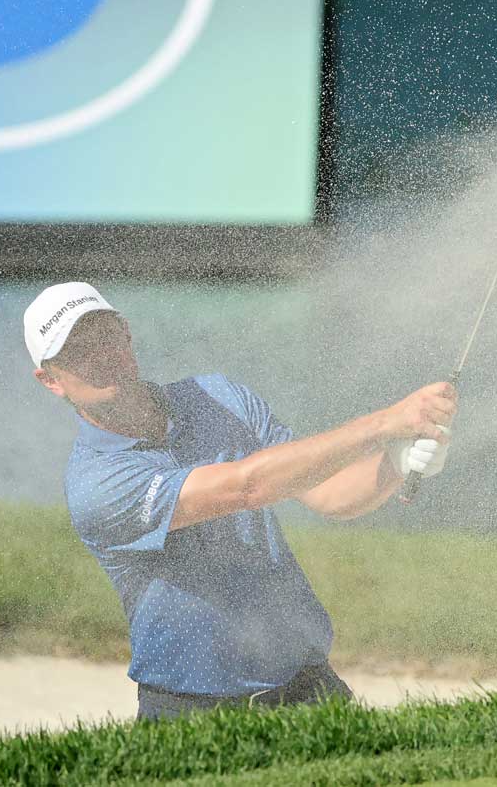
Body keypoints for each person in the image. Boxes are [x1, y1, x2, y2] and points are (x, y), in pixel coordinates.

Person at [24, 281, 454, 720]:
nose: (99, 355)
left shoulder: (220, 398)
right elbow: (246, 487)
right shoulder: (97, 483)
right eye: (77, 351)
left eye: (105, 336)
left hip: (309, 690)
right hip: (191, 714)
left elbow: (330, 494)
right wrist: (386, 422)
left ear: (127, 334)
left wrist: (396, 461)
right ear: (51, 380)